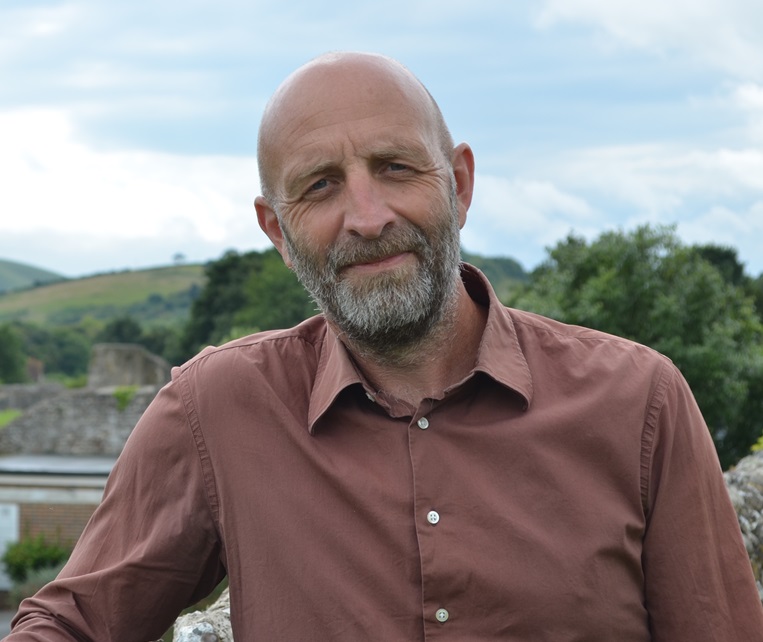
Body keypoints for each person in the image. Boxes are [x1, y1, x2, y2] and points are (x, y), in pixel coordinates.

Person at [6, 51, 763, 641]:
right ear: (277, 231)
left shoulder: (640, 404)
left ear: (458, 184)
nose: (367, 217)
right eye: (320, 186)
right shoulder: (218, 409)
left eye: (395, 168)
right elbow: (73, 623)